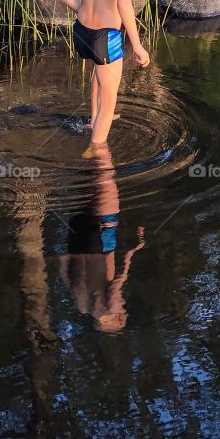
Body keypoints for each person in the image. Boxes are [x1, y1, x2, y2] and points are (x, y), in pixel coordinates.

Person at [63, 0, 150, 150]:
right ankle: (97, 150)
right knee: (110, 103)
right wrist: (138, 45)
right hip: (105, 37)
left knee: (98, 71)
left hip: (81, 32)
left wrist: (87, 12)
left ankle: (93, 121)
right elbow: (124, 5)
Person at [57, 141, 146, 333]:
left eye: (123, 309)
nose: (123, 305)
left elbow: (117, 283)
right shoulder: (82, 306)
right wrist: (65, 255)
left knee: (105, 178)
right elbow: (64, 273)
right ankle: (76, 147)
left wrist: (133, 251)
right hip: (74, 244)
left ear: (117, 319)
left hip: (96, 246)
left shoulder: (108, 308)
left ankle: (97, 141)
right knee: (85, 189)